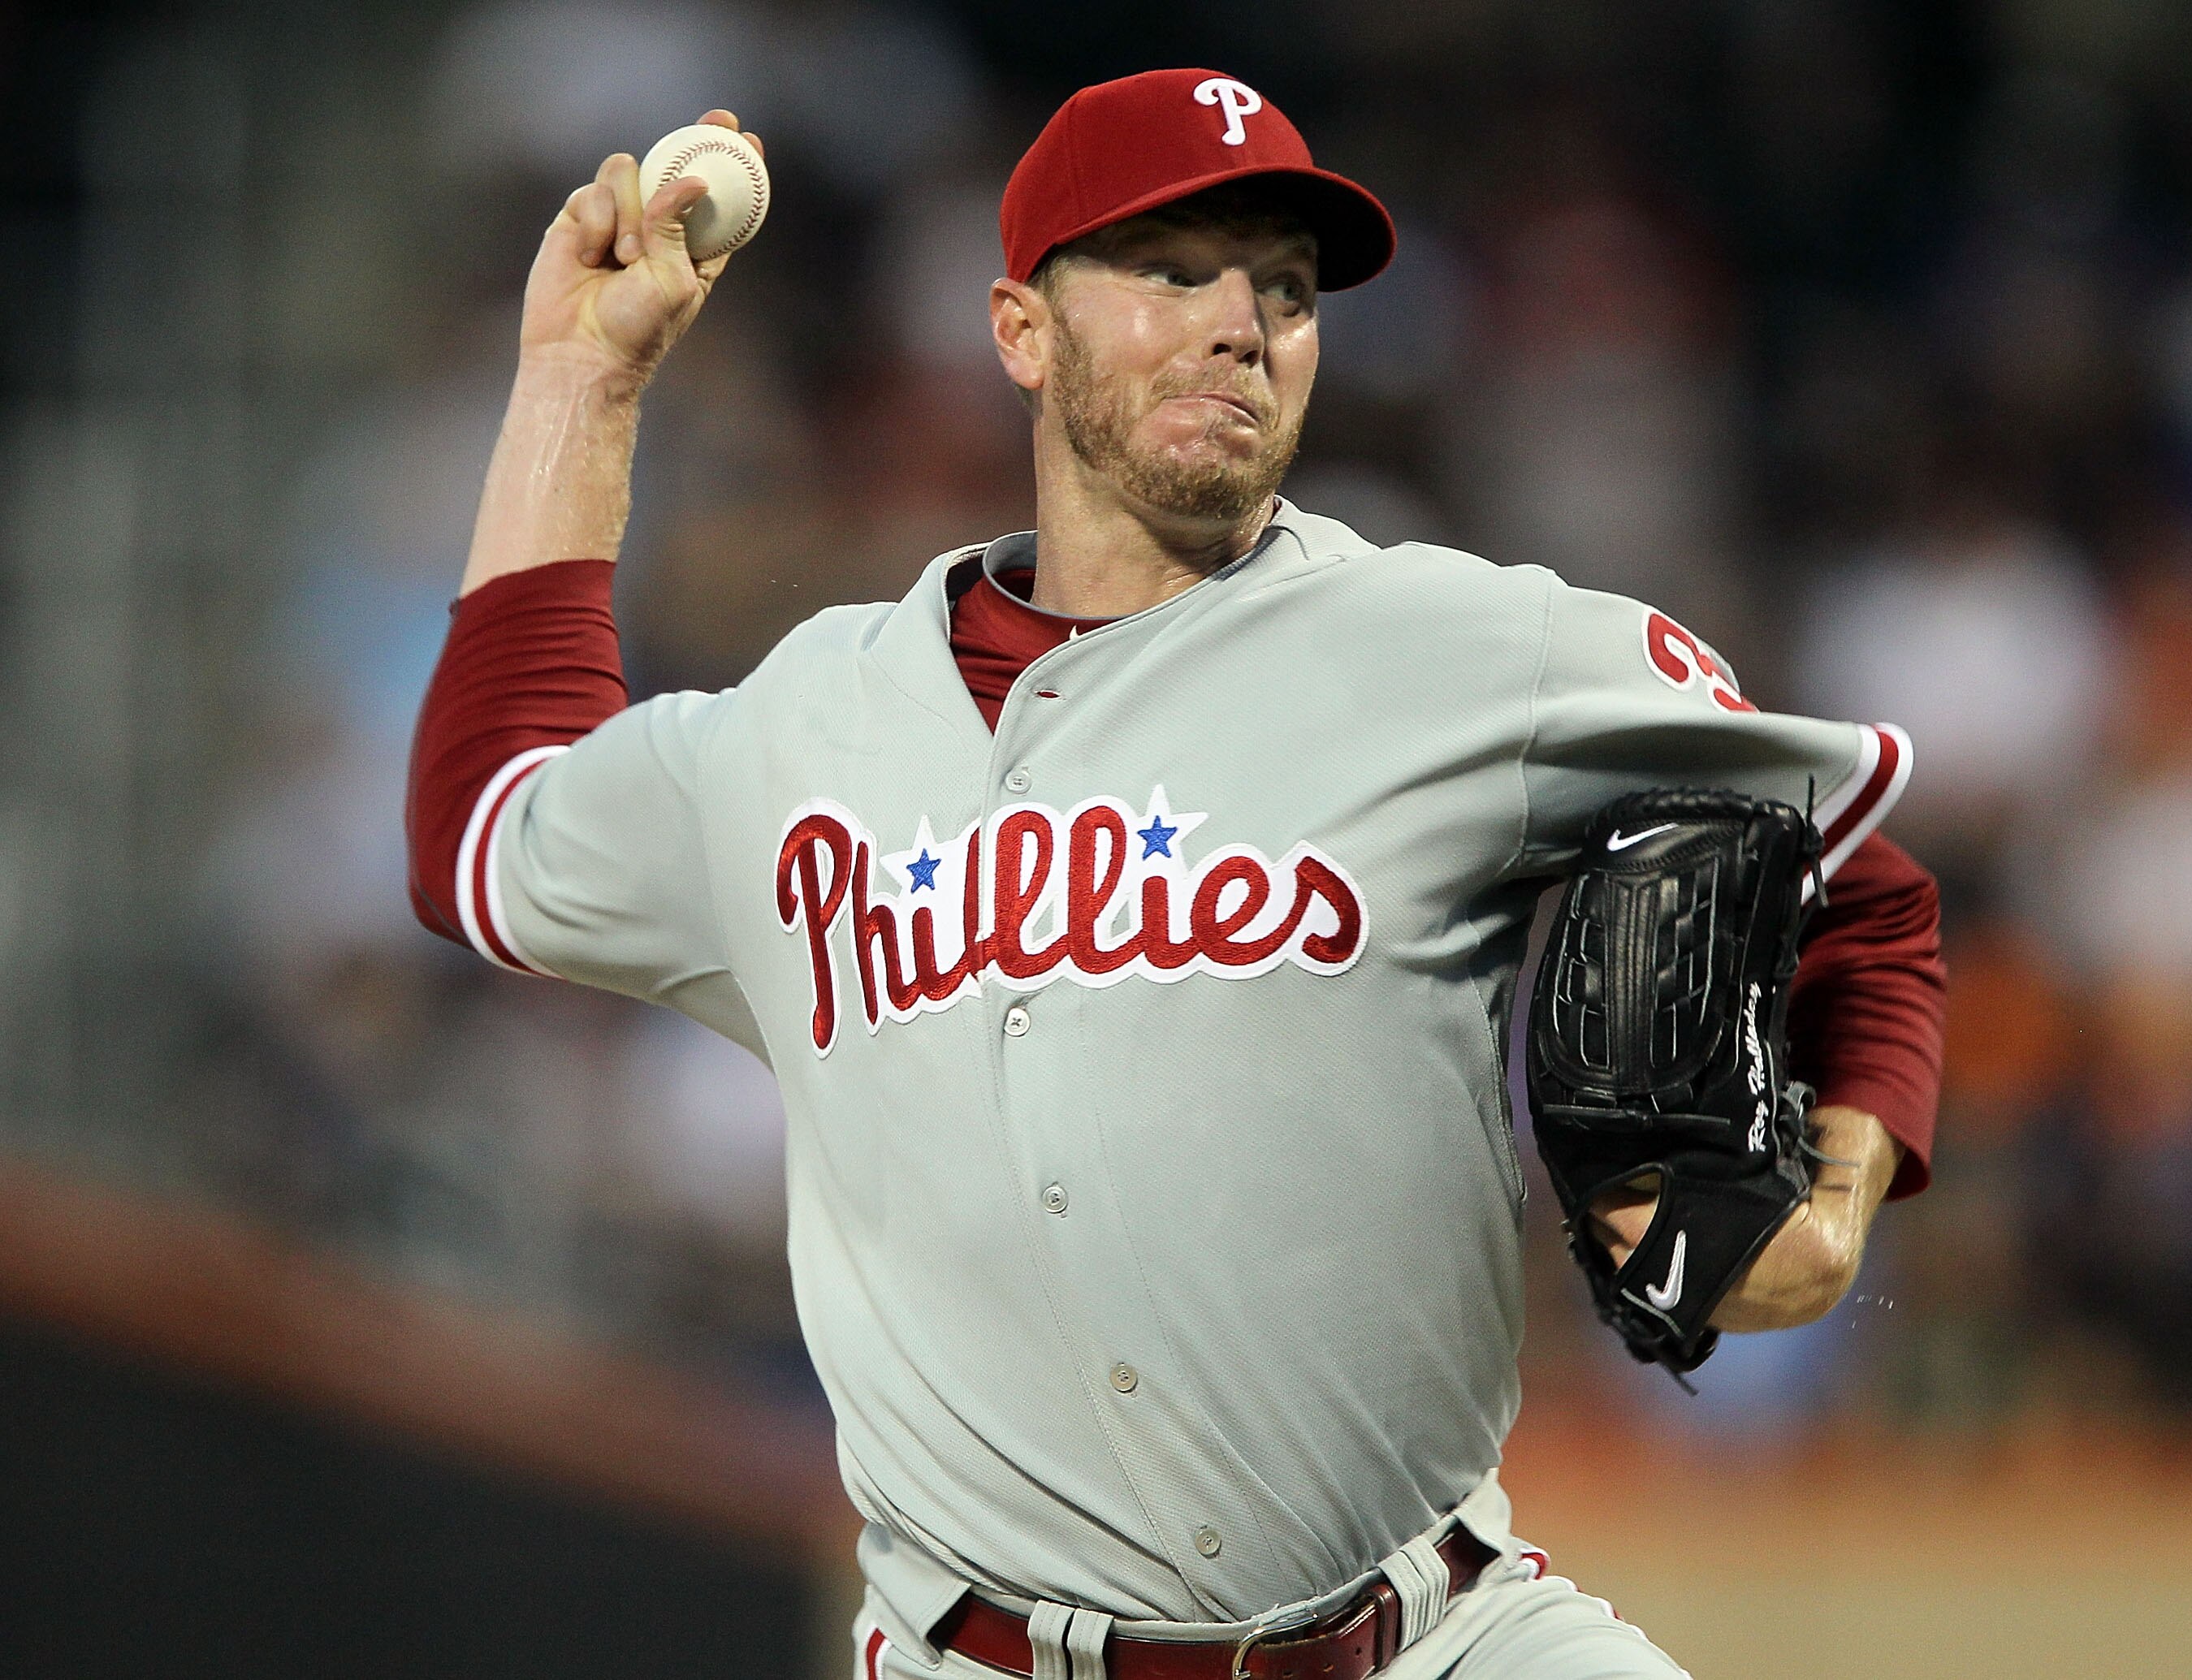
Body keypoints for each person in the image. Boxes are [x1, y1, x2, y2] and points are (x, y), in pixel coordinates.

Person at [408, 71, 1943, 1680]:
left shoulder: (1473, 650)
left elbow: (1864, 881)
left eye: (1285, 288)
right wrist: (580, 384)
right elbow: (485, 831)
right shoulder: (805, 726)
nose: (1243, 322)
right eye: (1172, 272)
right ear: (1020, 329)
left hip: (1435, 1638)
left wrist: (1837, 1197)